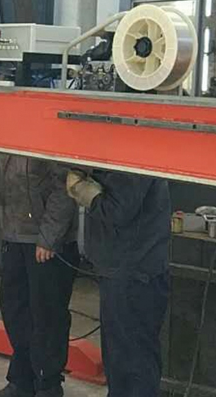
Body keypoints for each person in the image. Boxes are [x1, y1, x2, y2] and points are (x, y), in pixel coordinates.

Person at [0, 151, 80, 397]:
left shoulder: (53, 136)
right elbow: (3, 167)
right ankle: (22, 381)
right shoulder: (12, 132)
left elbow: (65, 186)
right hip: (14, 234)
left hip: (46, 242)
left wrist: (49, 237)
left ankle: (48, 385)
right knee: (15, 309)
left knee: (46, 315)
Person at [66, 168, 171, 397]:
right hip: (123, 267)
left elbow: (119, 210)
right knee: (119, 357)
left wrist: (86, 191)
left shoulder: (135, 154)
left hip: (134, 271)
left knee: (132, 360)